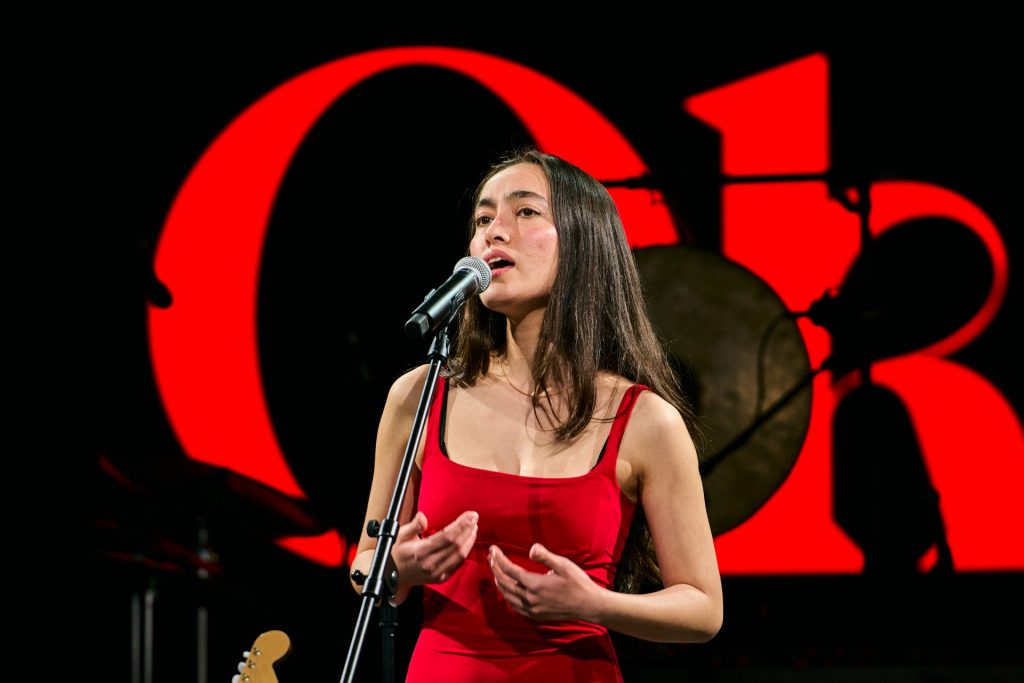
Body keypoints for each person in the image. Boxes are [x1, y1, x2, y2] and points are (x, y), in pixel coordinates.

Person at [350, 147, 722, 682]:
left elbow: (703, 608)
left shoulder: (644, 420)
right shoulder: (419, 396)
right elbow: (365, 560)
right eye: (483, 219)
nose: (494, 232)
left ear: (583, 244)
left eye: (525, 211)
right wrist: (396, 568)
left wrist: (595, 604)